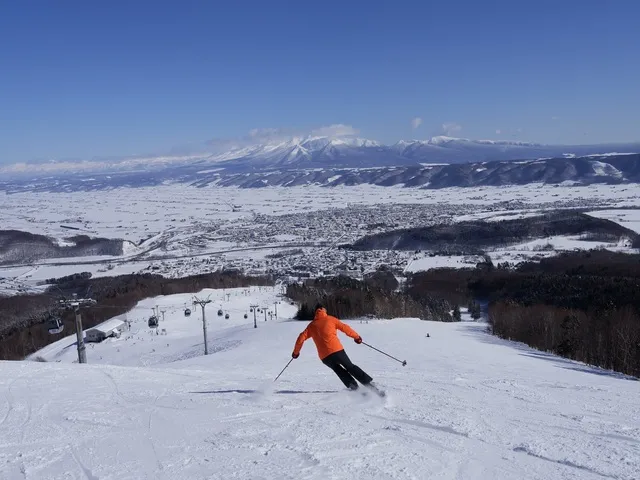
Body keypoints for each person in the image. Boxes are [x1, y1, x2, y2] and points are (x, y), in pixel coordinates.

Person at [291, 303, 378, 393]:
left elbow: (300, 338)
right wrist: (357, 337)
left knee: (338, 370)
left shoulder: (311, 326)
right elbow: (345, 328)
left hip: (325, 357)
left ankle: (354, 388)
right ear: (323, 309)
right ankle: (368, 384)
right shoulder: (330, 319)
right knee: (350, 366)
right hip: (337, 351)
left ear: (315, 312)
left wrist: (295, 353)